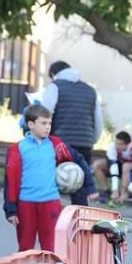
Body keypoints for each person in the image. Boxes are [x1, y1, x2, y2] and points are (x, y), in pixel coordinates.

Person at [4, 104, 95, 253]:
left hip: (50, 202)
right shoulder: (17, 149)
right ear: (31, 125)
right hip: (25, 203)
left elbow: (79, 160)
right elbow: (10, 181)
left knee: (51, 247)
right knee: (26, 248)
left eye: (49, 123)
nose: (48, 127)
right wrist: (11, 210)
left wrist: (90, 187)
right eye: (43, 123)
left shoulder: (56, 145)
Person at [41, 61, 101, 206]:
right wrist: (91, 140)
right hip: (85, 144)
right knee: (79, 186)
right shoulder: (90, 90)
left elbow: (44, 114)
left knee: (51, 183)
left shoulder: (55, 86)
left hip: (60, 143)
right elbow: (98, 121)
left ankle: (53, 220)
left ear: (54, 74)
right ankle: (79, 223)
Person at [92, 131, 132, 204]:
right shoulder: (112, 148)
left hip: (128, 171)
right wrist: (115, 190)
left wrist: (130, 190)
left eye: (120, 144)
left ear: (127, 144)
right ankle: (106, 192)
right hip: (114, 168)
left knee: (126, 166)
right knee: (97, 165)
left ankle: (124, 194)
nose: (117, 146)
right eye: (116, 143)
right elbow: (114, 168)